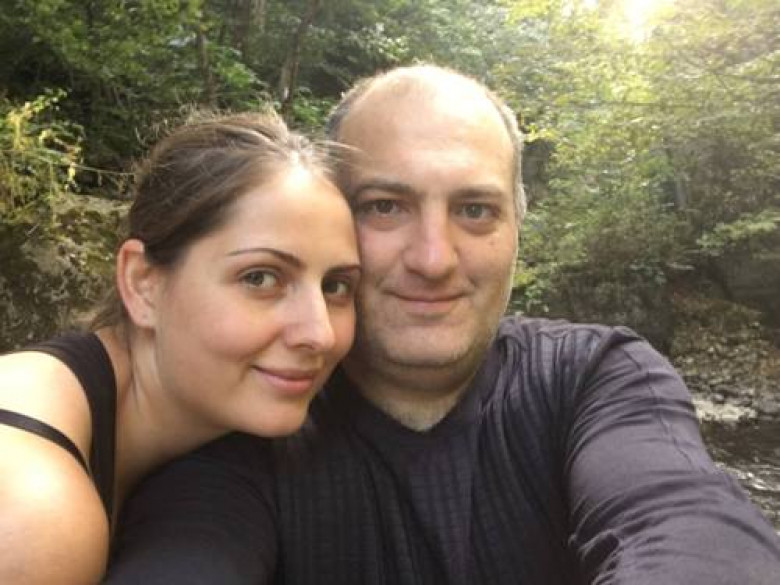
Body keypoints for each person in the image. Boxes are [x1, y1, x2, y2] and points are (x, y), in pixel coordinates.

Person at [103, 65, 780, 584]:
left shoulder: (593, 378)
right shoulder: (252, 418)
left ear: (518, 231)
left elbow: (694, 531)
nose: (433, 259)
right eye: (385, 206)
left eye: (475, 210)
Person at [0, 112, 360, 584]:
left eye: (336, 286)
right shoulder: (32, 507)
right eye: (260, 278)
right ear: (143, 284)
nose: (320, 333)